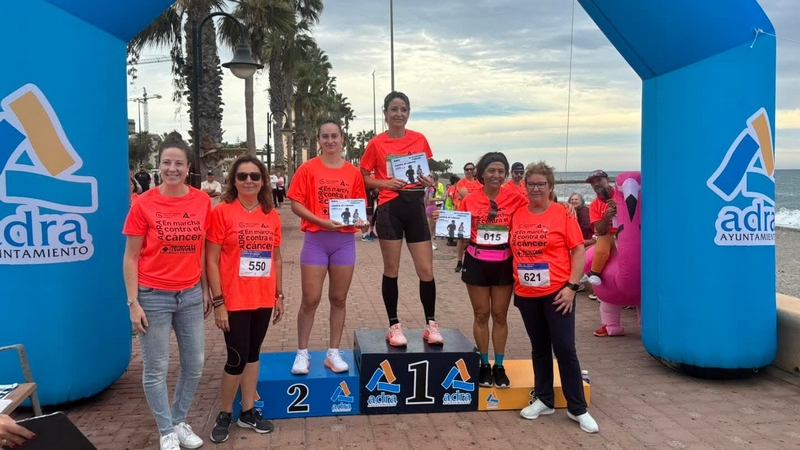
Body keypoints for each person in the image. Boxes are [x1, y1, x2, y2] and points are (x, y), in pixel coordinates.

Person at [122, 133, 212, 450]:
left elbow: (202, 249)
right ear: (159, 166)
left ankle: (178, 420)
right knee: (156, 368)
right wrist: (133, 302)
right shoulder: (144, 203)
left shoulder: (202, 201)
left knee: (195, 363)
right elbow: (130, 256)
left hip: (189, 295)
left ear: (189, 168)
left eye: (178, 163)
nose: (172, 168)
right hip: (152, 295)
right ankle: (166, 430)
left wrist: (204, 289)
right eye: (166, 163)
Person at [510, 161, 598, 434]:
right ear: (525, 186)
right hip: (526, 293)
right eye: (531, 184)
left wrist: (572, 287)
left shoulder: (563, 214)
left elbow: (578, 251)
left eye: (541, 184)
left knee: (564, 349)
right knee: (539, 347)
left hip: (558, 292)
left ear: (550, 187)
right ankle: (545, 400)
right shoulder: (517, 213)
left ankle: (577, 408)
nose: (536, 188)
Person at [206, 155, 284, 443]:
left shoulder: (270, 214)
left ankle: (247, 410)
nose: (249, 181)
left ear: (263, 180)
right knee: (236, 358)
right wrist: (218, 302)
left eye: (254, 176)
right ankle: (225, 412)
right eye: (242, 176)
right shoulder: (222, 211)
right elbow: (211, 260)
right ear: (233, 181)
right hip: (234, 299)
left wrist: (279, 294)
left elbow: (275, 257)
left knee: (253, 355)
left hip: (262, 298)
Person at [359, 91, 441, 346]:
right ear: (385, 113)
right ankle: (394, 325)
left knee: (426, 269)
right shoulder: (376, 143)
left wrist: (431, 181)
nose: (399, 114)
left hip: (415, 206)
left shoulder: (419, 139)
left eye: (403, 109)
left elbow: (426, 174)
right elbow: (362, 176)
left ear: (408, 113)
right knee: (391, 269)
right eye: (393, 109)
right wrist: (384, 182)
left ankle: (431, 324)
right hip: (389, 208)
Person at [288, 120, 368, 374]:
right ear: (319, 140)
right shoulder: (308, 168)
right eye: (325, 137)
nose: (330, 141)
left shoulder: (353, 172)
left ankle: (333, 352)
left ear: (342, 139)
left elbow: (359, 209)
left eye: (334, 136)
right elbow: (295, 204)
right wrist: (320, 221)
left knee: (339, 299)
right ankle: (302, 353)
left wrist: (363, 223)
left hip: (344, 242)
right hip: (316, 240)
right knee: (310, 299)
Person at [457, 152, 528, 388]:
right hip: (476, 262)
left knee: (499, 315)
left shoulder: (516, 197)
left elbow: (539, 210)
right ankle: (483, 364)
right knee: (481, 315)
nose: (496, 175)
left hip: (503, 263)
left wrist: (566, 207)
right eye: (492, 170)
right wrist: (442, 219)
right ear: (482, 173)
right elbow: (459, 228)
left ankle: (499, 365)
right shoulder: (470, 199)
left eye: (501, 171)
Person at [584, 170, 616, 285]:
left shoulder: (622, 195)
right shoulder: (594, 205)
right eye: (593, 183)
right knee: (603, 238)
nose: (596, 184)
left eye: (599, 180)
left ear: (608, 180)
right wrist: (607, 217)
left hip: (626, 234)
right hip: (608, 237)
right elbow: (601, 231)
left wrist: (621, 208)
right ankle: (593, 272)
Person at [454, 162, 482, 272]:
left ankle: (474, 261)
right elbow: (465, 195)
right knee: (461, 239)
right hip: (464, 213)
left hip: (478, 214)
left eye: (471, 169)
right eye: (467, 169)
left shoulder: (479, 183)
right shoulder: (461, 182)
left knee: (475, 238)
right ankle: (459, 261)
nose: (469, 171)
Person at [425, 173, 444, 250]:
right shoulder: (432, 188)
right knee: (431, 228)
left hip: (428, 207)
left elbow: (426, 199)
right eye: (430, 177)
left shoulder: (427, 188)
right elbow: (430, 199)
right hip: (432, 207)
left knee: (430, 227)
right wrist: (441, 199)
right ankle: (429, 243)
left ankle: (429, 242)